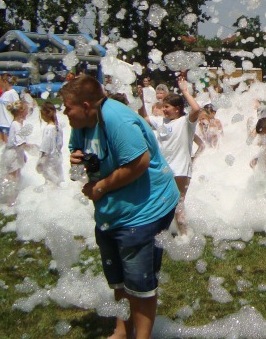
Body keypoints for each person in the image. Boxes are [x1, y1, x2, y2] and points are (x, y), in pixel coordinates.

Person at [63, 75, 179, 339]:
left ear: (86, 104)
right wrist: (76, 160)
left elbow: (139, 163)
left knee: (139, 281)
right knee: (117, 276)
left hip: (145, 208)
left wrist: (101, 187)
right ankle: (121, 330)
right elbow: (78, 154)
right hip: (112, 210)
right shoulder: (80, 122)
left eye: (67, 106)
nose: (64, 112)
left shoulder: (117, 119)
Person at [140, 75, 204, 235]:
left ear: (177, 108)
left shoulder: (185, 123)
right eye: (163, 107)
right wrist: (140, 98)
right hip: (163, 169)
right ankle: (162, 233)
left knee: (178, 205)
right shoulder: (161, 122)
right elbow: (143, 118)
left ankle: (185, 237)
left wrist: (185, 91)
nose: (164, 110)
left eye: (167, 107)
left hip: (181, 169)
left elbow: (196, 109)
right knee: (160, 203)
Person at [37, 102, 64, 185]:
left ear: (43, 114)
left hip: (49, 160)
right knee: (57, 181)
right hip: (57, 158)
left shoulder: (48, 129)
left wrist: (41, 161)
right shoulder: (58, 127)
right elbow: (60, 144)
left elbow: (45, 147)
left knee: (49, 182)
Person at [2, 100, 30, 182]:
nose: (28, 113)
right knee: (12, 178)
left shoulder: (17, 124)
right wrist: (32, 147)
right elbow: (20, 142)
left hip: (15, 153)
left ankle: (14, 193)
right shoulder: (16, 125)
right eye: (26, 110)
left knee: (15, 177)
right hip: (13, 155)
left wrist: (23, 154)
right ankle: (9, 194)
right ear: (21, 111)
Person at [0, 74, 20, 143]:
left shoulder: (13, 93)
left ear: (5, 82)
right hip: (2, 124)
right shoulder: (4, 93)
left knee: (8, 149)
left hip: (8, 124)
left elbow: (18, 109)